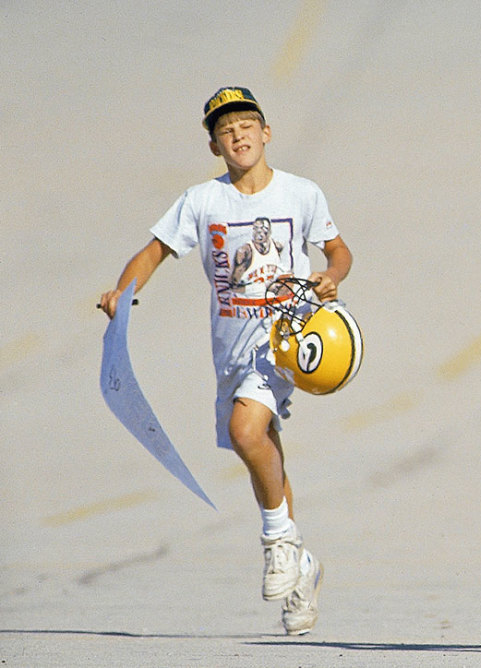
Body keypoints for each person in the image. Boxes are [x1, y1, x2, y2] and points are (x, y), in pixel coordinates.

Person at [98, 86, 352, 634]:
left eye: (246, 124)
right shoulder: (202, 201)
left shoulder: (300, 194)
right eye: (225, 130)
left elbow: (337, 248)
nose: (237, 135)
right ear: (214, 146)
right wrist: (123, 291)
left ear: (266, 132)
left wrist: (332, 275)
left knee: (245, 429)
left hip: (285, 342)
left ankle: (277, 541)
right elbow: (154, 252)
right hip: (230, 350)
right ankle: (301, 564)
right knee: (263, 447)